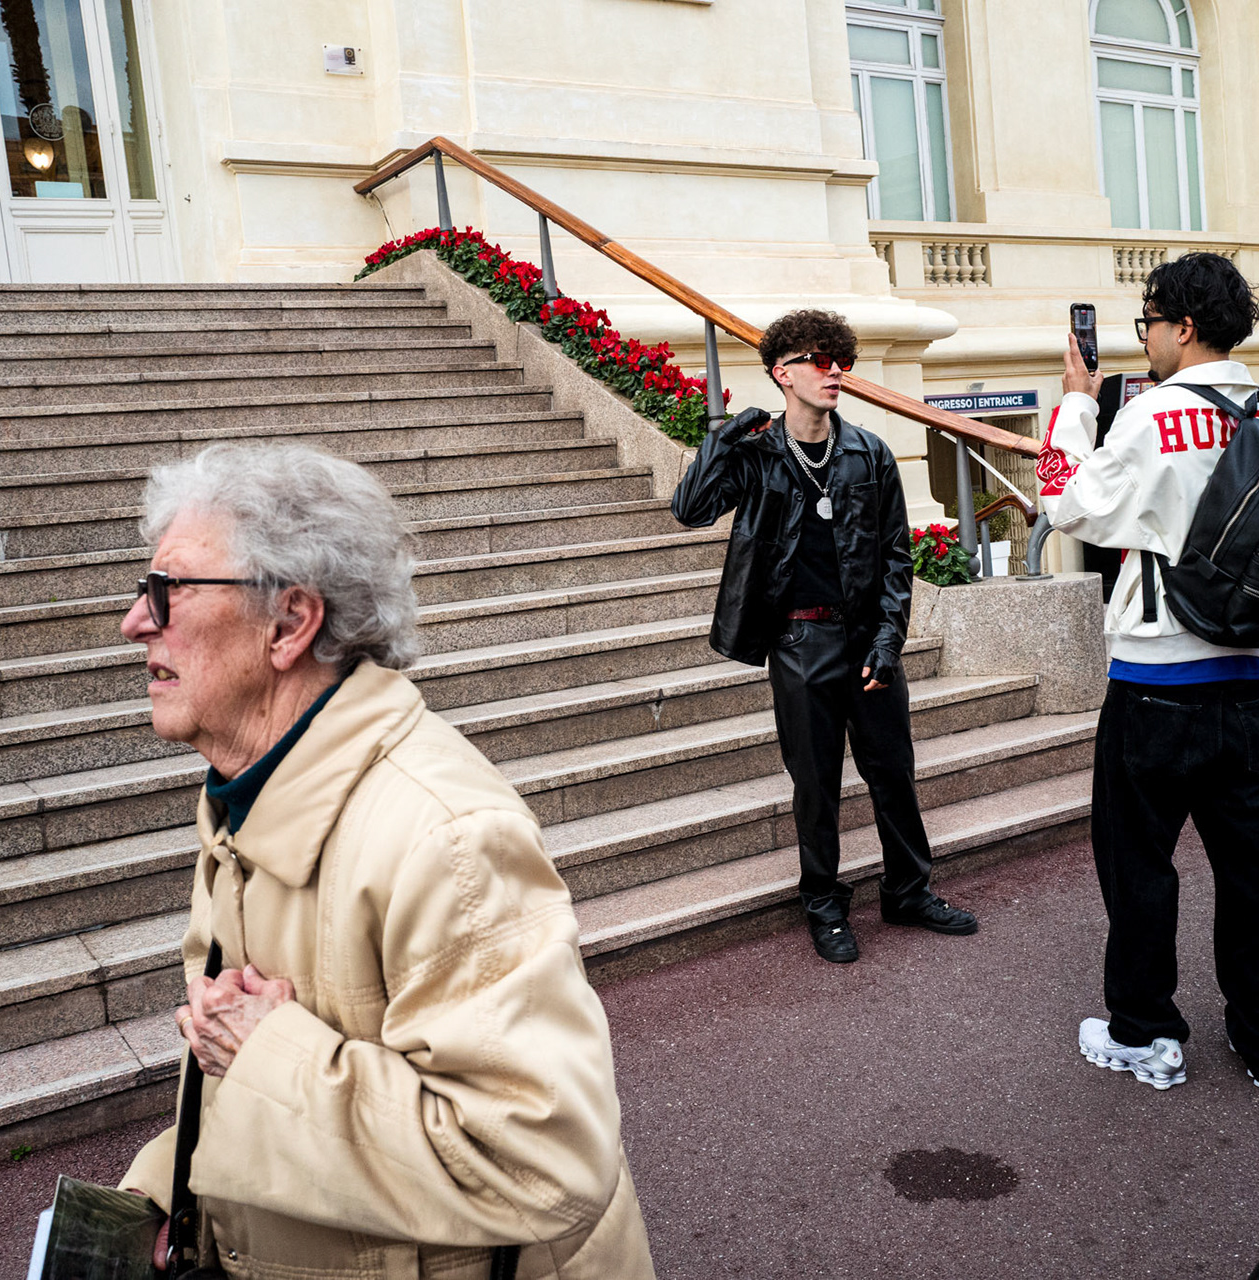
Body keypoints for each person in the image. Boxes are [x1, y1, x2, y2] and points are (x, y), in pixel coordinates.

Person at [115, 442, 655, 1278]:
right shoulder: (245, 788)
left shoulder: (444, 834)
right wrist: (172, 1185)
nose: (136, 621)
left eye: (168, 590)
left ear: (291, 623)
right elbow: (231, 1054)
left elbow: (547, 1165)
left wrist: (268, 1058)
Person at [1046, 253, 1259, 1090]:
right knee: (1251, 870)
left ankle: (1145, 1032)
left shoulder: (1154, 415)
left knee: (1138, 868)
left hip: (1154, 683)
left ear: (1182, 326)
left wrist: (1077, 404)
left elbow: (1066, 502)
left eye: (1148, 324)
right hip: (1243, 684)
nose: (1147, 340)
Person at [671, 309, 977, 964]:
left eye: (840, 358)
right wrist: (721, 442)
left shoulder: (868, 452)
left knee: (893, 770)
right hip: (800, 642)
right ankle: (823, 903)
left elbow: (897, 558)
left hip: (868, 637)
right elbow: (690, 509)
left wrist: (888, 641)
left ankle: (908, 890)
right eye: (817, 359)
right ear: (782, 372)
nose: (834, 370)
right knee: (815, 782)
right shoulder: (755, 455)